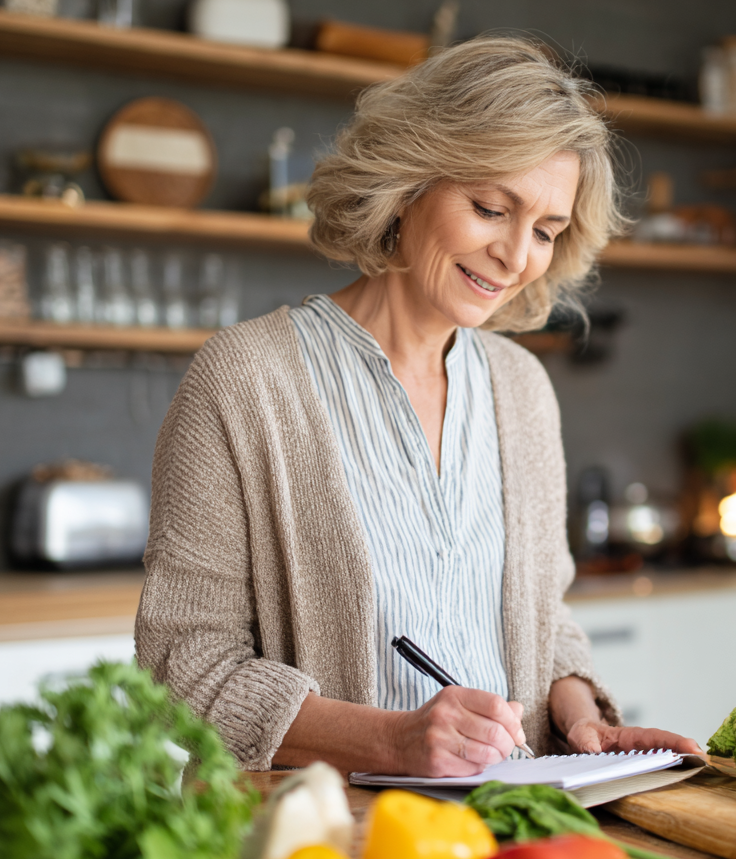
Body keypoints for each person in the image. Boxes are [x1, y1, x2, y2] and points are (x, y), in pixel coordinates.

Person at [135, 36, 702, 776]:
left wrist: (578, 710)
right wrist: (390, 741)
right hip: (317, 851)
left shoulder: (522, 388)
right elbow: (183, 665)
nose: (516, 255)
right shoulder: (245, 380)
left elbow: (545, 617)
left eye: (546, 231)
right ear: (407, 181)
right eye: (491, 208)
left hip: (502, 829)